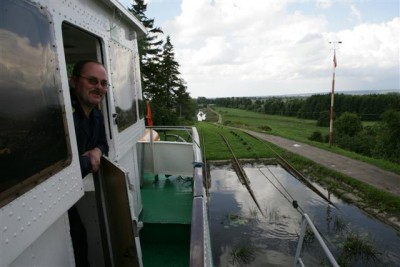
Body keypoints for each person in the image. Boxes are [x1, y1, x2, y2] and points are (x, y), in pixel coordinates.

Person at [68, 60, 109, 267]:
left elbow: (103, 142)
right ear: (74, 81)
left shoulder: (96, 115)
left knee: (80, 239)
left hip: (70, 194)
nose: (99, 88)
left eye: (103, 83)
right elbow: (62, 166)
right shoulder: (62, 114)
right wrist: (88, 161)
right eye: (92, 80)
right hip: (54, 193)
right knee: (76, 240)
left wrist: (97, 150)